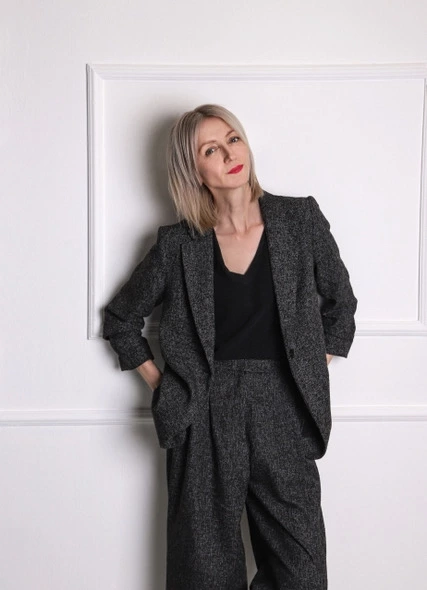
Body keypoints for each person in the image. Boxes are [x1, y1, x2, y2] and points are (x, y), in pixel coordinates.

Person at [102, 104, 358, 590]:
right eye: (210, 150)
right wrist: (167, 386)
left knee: (301, 573)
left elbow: (341, 305)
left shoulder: (299, 219)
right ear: (193, 170)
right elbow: (121, 320)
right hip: (203, 409)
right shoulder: (178, 243)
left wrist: (309, 366)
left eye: (233, 139)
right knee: (204, 572)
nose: (228, 154)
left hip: (284, 406)